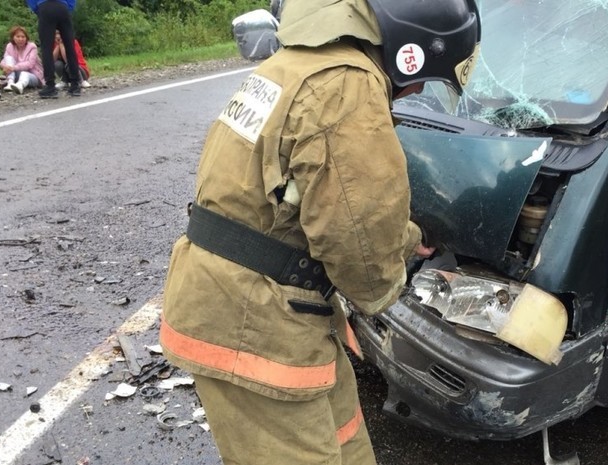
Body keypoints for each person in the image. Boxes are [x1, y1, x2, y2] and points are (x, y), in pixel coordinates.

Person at [158, 0, 480, 464]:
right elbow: (360, 246)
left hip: (251, 300)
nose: (416, 92)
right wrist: (391, 287)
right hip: (254, 324)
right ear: (410, 51)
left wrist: (409, 239)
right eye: (426, 79)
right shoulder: (347, 86)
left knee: (347, 444)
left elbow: (306, 200)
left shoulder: (295, 64)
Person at [26, 0, 81, 98]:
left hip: (45, 6)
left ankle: (50, 86)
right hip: (63, 6)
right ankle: (75, 85)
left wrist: (37, 9)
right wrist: (68, 8)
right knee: (70, 46)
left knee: (46, 48)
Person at [0, 26, 44, 95]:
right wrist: (5, 67)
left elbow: (30, 64)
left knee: (24, 74)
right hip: (16, 73)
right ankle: (10, 83)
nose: (21, 39)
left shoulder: (32, 47)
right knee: (9, 59)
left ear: (26, 38)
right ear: (13, 37)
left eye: (23, 37)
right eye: (18, 36)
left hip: (33, 75)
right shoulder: (10, 46)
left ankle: (20, 86)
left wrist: (13, 68)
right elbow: (4, 60)